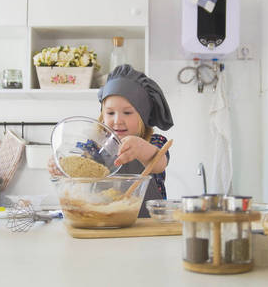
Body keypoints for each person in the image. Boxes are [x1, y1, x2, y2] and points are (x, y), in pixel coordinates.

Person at [48, 64, 174, 217]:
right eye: (110, 112)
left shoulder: (155, 142)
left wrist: (140, 148)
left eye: (127, 112)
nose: (117, 120)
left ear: (143, 116)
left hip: (148, 225)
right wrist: (61, 169)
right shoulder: (95, 146)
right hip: (104, 219)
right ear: (102, 115)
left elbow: (159, 164)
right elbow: (79, 175)